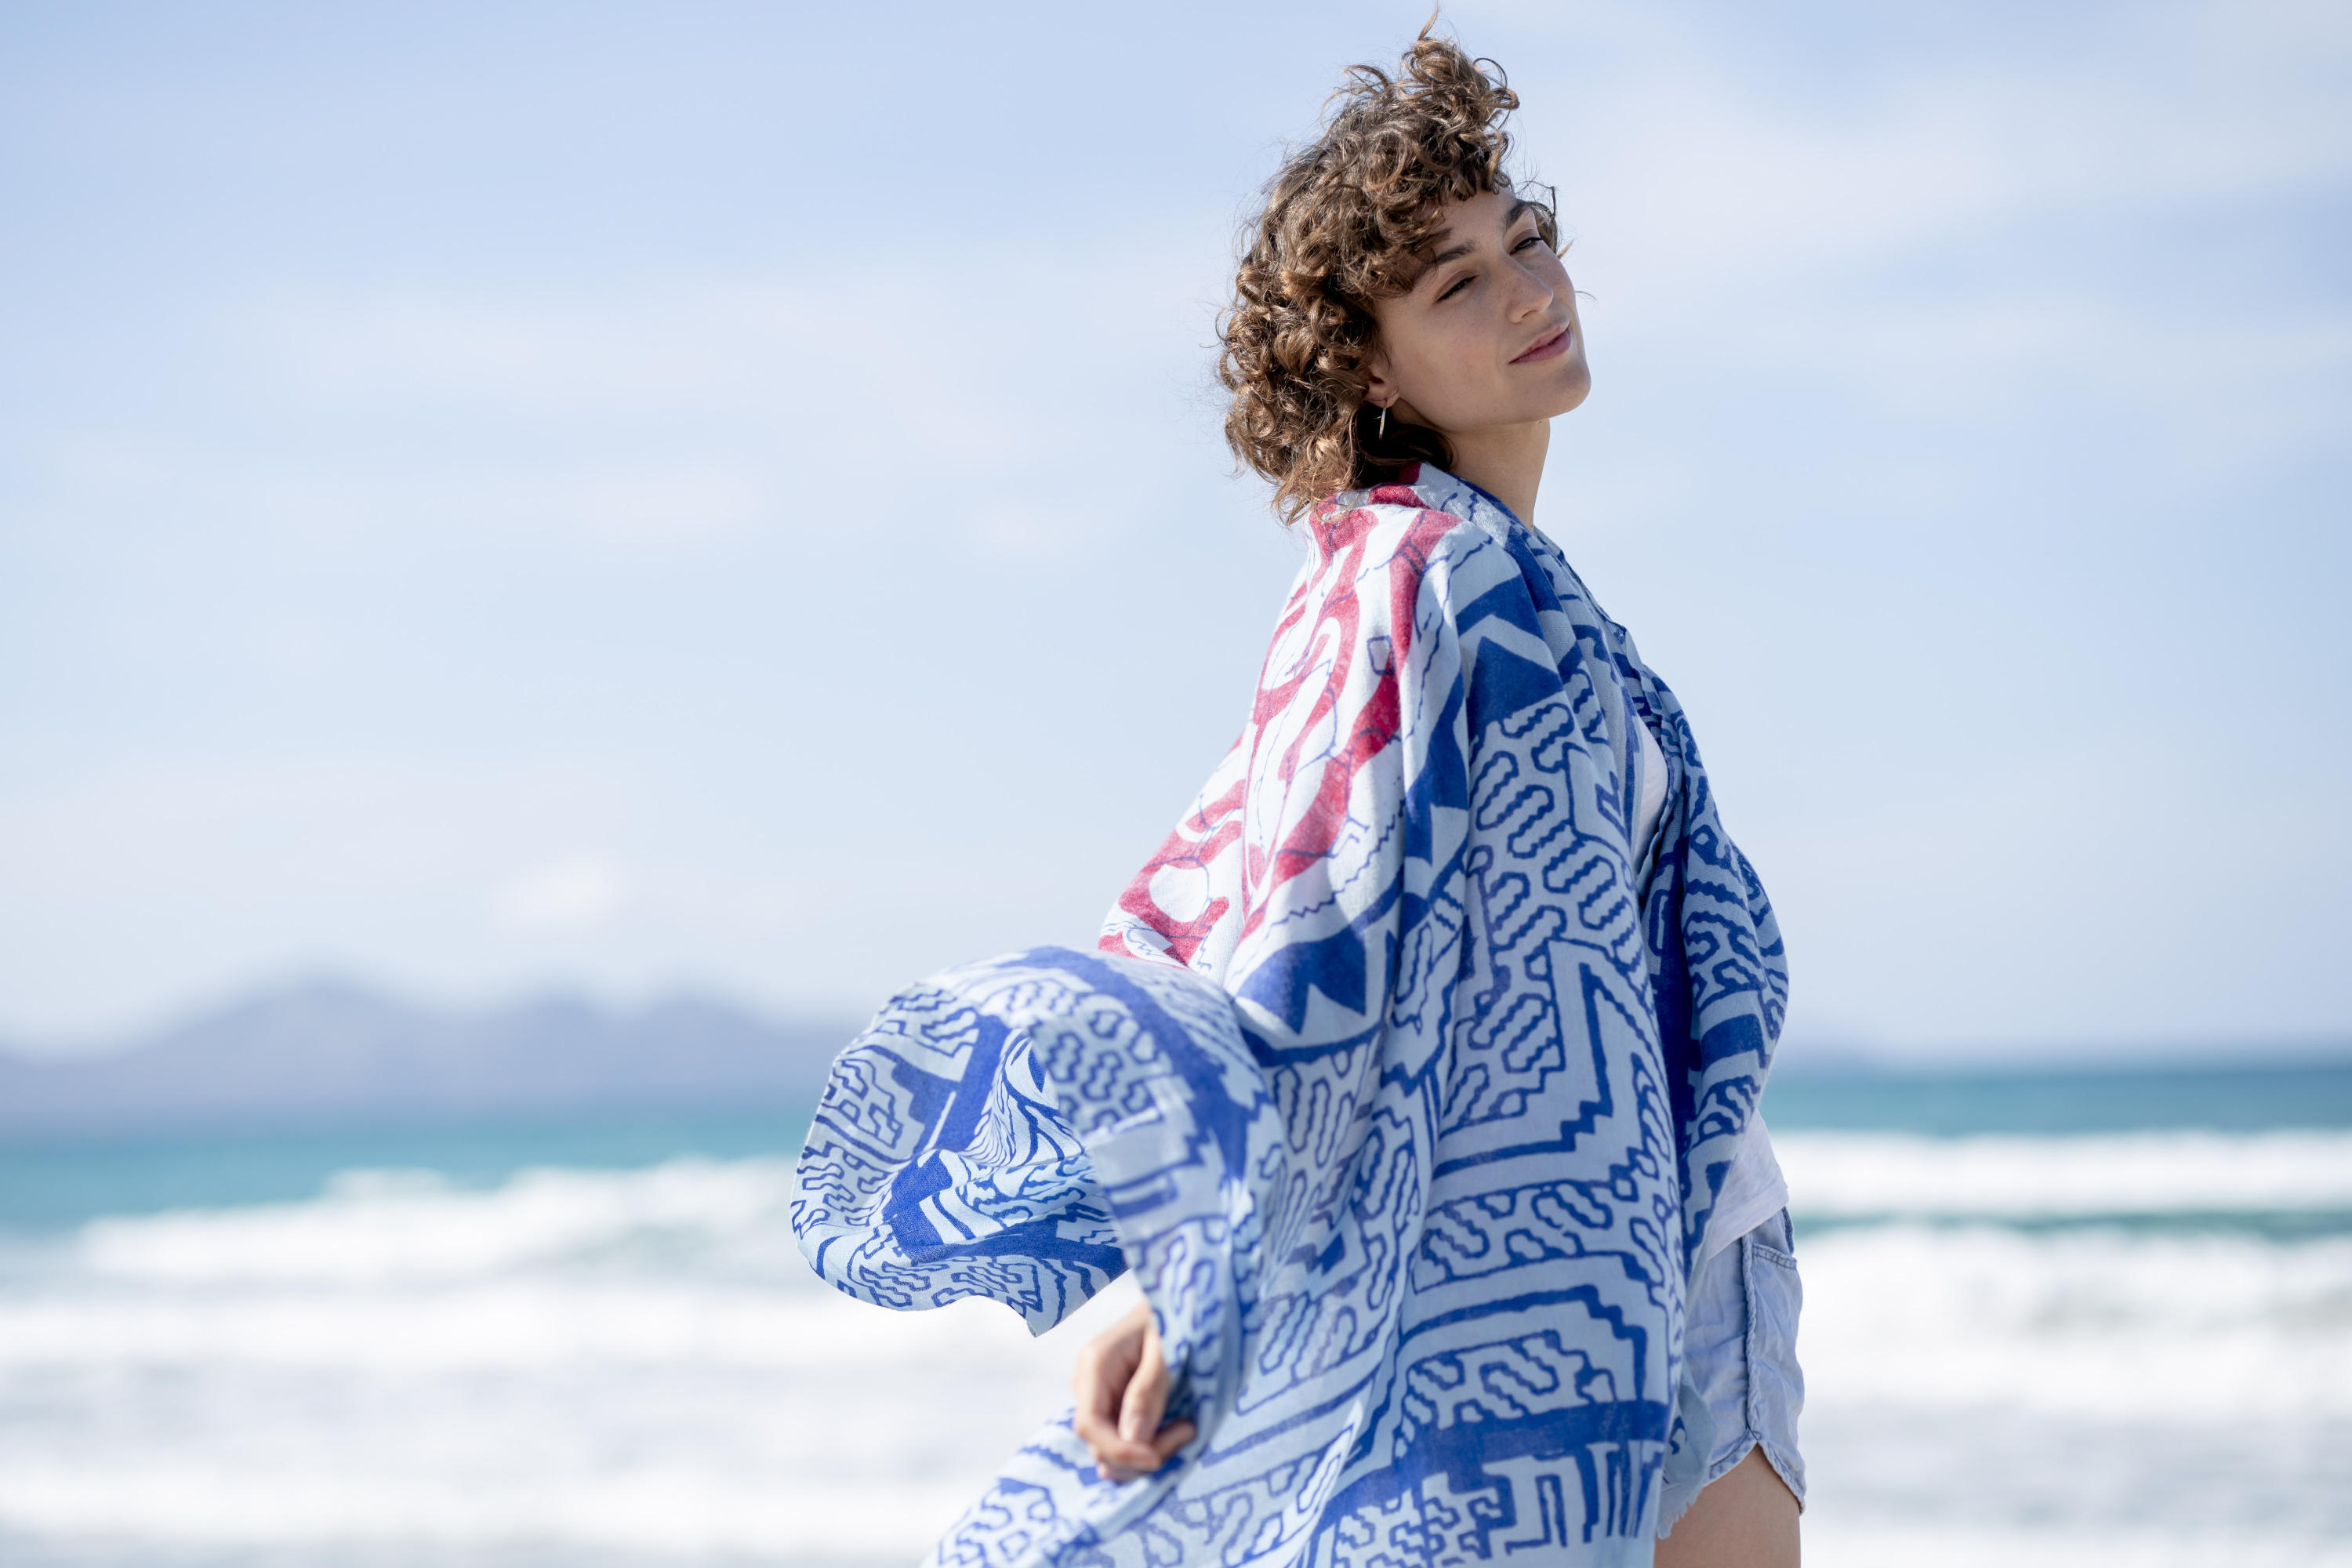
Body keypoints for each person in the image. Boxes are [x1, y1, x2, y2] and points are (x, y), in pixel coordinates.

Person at [790, 28, 1802, 1568]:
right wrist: (1184, 1267)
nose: (1531, 290)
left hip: (1656, 1239)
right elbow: (1305, 903)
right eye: (1458, 282)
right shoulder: (1416, 572)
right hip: (1589, 1267)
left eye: (1528, 240)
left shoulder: (1509, 587)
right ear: (1369, 368)